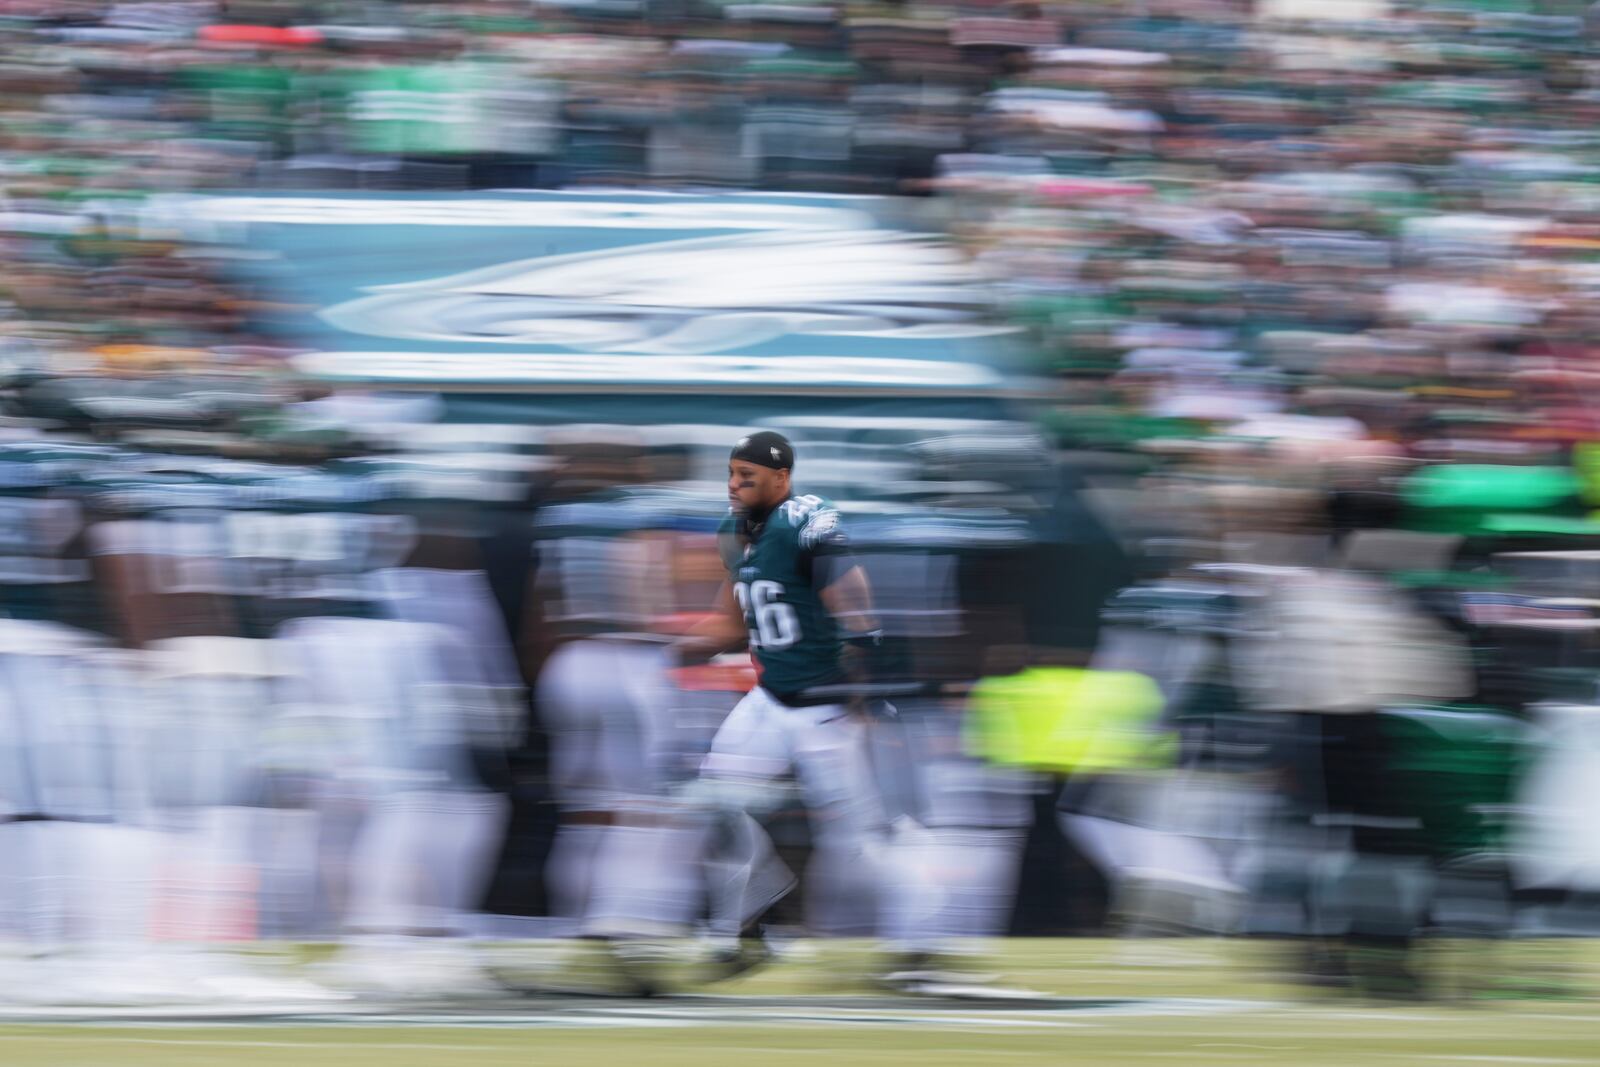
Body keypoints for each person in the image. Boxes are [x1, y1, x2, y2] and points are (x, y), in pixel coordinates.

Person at [676, 431, 888, 974]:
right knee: (718, 802)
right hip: (769, 698)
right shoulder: (734, 532)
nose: (733, 485)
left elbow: (854, 600)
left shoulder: (806, 520)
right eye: (730, 473)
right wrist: (669, 648)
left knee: (860, 841)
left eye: (747, 476)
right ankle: (739, 930)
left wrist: (867, 682)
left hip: (824, 702)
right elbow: (731, 620)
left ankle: (926, 938)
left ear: (782, 478)